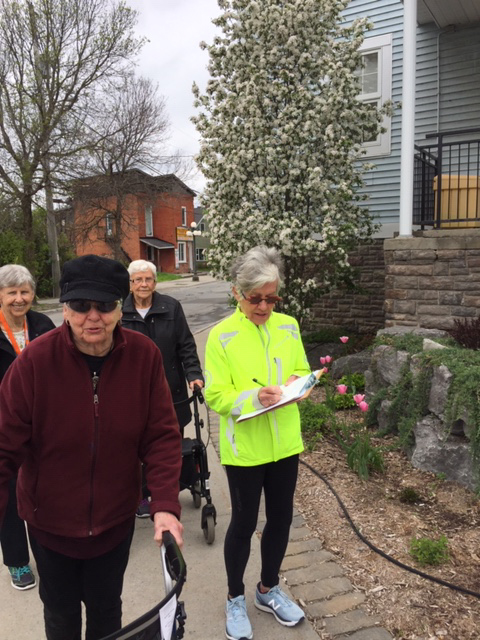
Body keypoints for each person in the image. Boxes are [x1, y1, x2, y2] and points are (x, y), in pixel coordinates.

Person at [0, 254, 183, 640]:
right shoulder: (34, 362)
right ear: (65, 308)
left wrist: (165, 503)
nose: (93, 316)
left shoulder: (144, 356)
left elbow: (162, 435)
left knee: (106, 615)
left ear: (121, 308)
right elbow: (4, 446)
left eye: (105, 305)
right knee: (61, 618)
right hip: (50, 525)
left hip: (114, 524)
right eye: (81, 305)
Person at [205, 246, 309, 640]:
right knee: (245, 523)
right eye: (256, 298)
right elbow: (216, 395)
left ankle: (268, 589)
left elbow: (299, 368)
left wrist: (301, 387)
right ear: (237, 293)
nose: (264, 306)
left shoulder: (288, 326)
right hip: (244, 447)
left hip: (284, 442)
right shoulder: (221, 336)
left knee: (281, 518)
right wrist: (252, 399)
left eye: (271, 298)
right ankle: (235, 596)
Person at [122, 259, 204, 517]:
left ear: (155, 283)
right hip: (133, 395)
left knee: (170, 447)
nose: (143, 284)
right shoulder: (120, 312)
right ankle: (142, 495)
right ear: (130, 284)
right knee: (136, 449)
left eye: (148, 279)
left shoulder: (171, 307)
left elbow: (186, 345)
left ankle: (166, 495)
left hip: (172, 392)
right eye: (138, 280)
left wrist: (194, 374)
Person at [0, 264, 55, 591]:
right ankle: (17, 561)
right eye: (11, 293)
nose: (19, 299)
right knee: (7, 494)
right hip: (5, 425)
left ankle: (48, 552)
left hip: (43, 422)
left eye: (24, 292)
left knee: (42, 488)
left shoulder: (43, 324)